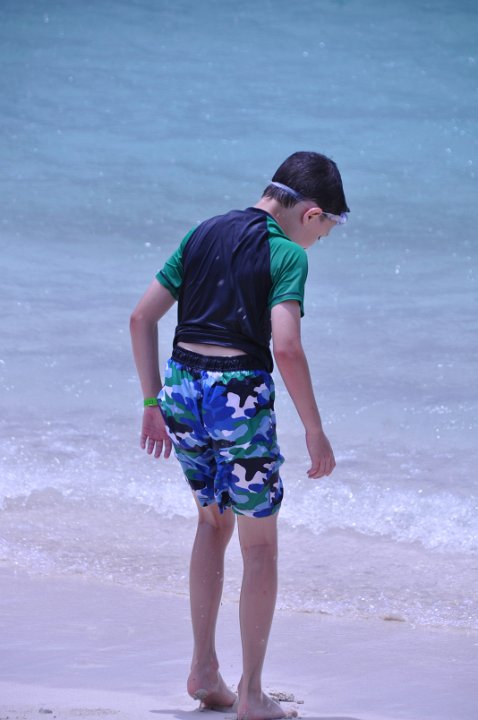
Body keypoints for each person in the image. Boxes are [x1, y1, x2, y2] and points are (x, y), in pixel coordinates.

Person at [130, 150, 349, 720]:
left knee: (211, 524)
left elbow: (141, 317)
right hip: (237, 396)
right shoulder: (286, 255)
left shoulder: (202, 232)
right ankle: (251, 694)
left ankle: (204, 669)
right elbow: (286, 347)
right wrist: (315, 430)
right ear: (311, 213)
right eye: (325, 230)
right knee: (260, 546)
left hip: (182, 388)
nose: (319, 241)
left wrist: (151, 401)